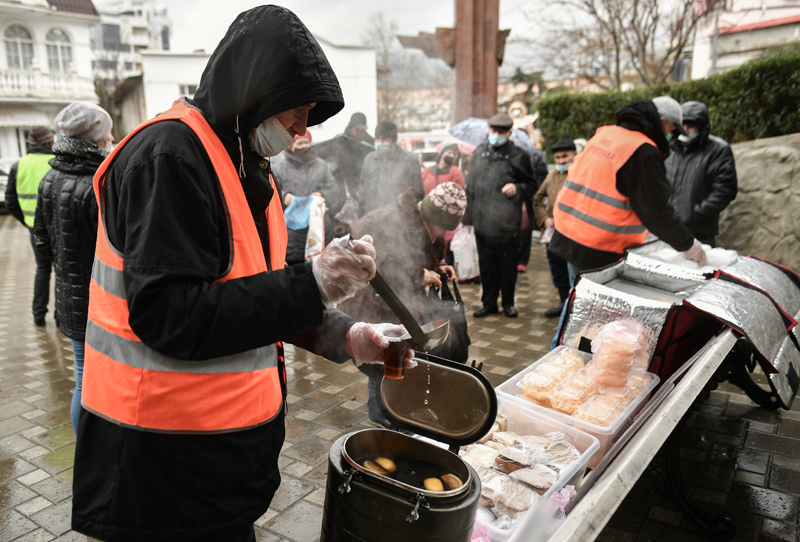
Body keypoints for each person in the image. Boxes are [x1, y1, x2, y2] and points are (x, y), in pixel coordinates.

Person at [71, 7, 412, 541]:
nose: (301, 130)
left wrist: (346, 334)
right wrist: (314, 280)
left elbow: (255, 295)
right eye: (296, 111)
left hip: (216, 465)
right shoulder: (169, 158)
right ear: (256, 90)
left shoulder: (244, 165)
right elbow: (171, 316)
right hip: (158, 468)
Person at [548, 98, 707, 348]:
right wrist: (688, 244)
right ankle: (573, 364)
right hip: (599, 249)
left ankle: (561, 357)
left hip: (569, 236)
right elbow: (656, 211)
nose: (669, 135)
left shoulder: (604, 135)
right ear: (662, 122)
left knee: (576, 308)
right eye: (670, 129)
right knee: (593, 323)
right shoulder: (642, 150)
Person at [339, 183, 465, 428]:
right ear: (430, 215)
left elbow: (415, 257)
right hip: (370, 299)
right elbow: (384, 265)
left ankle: (396, 409)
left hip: (394, 302)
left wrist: (436, 268)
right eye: (441, 228)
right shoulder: (392, 221)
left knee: (399, 354)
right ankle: (380, 415)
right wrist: (420, 275)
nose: (441, 236)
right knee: (383, 354)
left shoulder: (424, 225)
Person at [33, 102, 114, 435]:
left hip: (68, 297)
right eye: (106, 132)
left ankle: (85, 453)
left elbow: (41, 239)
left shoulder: (49, 177)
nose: (111, 137)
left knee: (83, 378)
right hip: (102, 302)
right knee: (105, 382)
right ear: (95, 138)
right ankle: (100, 454)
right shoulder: (99, 181)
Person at [462, 113, 536, 318]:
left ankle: (509, 303)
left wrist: (518, 188)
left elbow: (531, 185)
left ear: (509, 133)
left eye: (501, 132)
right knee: (486, 265)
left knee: (508, 266)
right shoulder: (479, 154)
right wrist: (467, 219)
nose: (496, 135)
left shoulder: (519, 155)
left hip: (507, 222)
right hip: (483, 220)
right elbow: (471, 189)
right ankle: (489, 303)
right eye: (494, 131)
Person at [665, 101, 738, 247]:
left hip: (700, 233)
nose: (685, 130)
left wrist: (694, 213)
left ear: (702, 127)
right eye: (682, 125)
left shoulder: (718, 150)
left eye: (691, 126)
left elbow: (725, 190)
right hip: (668, 230)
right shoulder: (670, 148)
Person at [4, 126, 55, 327]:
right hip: (57, 227)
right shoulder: (56, 162)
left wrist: (27, 221)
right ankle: (61, 317)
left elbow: (10, 200)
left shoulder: (19, 165)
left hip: (34, 227)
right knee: (62, 272)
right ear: (49, 142)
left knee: (42, 269)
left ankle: (38, 315)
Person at [272, 131, 338, 265]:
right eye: (300, 143)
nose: (304, 146)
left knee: (323, 268)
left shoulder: (321, 165)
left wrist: (322, 194)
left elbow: (334, 189)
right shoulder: (279, 167)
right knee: (295, 271)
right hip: (292, 233)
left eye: (306, 142)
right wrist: (284, 196)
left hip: (320, 229)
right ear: (291, 145)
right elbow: (271, 192)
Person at [532, 139, 576, 317]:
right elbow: (537, 200)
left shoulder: (581, 174)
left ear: (575, 155)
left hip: (574, 235)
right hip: (553, 234)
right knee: (558, 271)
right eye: (557, 158)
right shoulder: (552, 176)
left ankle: (575, 306)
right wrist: (545, 219)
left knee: (573, 271)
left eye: (565, 156)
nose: (561, 161)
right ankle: (563, 303)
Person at [312, 112, 374, 219]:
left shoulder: (370, 143)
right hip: (342, 185)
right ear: (351, 127)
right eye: (357, 129)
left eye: (362, 129)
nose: (360, 132)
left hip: (361, 185)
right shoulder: (340, 141)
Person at [358, 119, 424, 216]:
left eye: (384, 139)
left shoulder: (409, 160)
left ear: (393, 140)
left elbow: (418, 194)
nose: (380, 142)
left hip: (399, 220)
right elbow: (363, 193)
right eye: (377, 138)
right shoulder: (369, 160)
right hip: (373, 218)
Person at [517, 145, 549, 272]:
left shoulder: (537, 157)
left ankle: (522, 260)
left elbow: (541, 179)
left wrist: (532, 194)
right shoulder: (511, 156)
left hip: (529, 201)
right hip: (514, 200)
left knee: (525, 231)